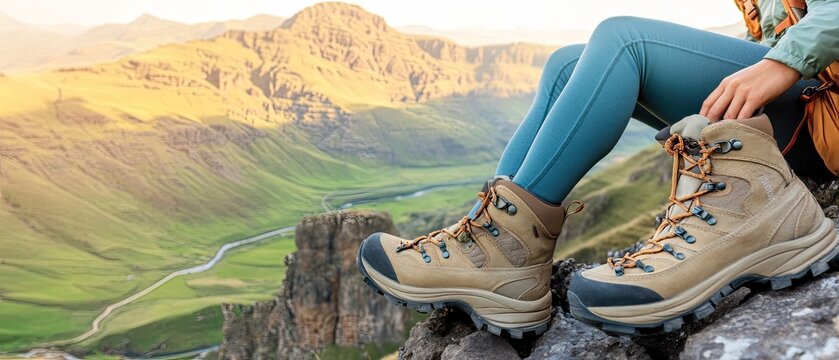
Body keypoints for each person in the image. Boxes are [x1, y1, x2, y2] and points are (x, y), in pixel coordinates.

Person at [357, 0, 839, 337]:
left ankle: (495, 251)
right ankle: (491, 243)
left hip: (825, 118)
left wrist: (784, 61)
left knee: (623, 39)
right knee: (568, 64)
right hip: (814, 113)